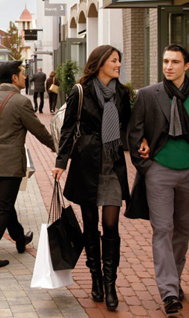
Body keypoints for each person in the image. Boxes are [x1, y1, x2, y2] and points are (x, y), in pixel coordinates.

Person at [126, 44, 189, 315]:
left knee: (183, 229)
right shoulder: (149, 95)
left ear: (187, 66)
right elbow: (134, 133)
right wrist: (145, 167)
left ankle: (175, 279)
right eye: (165, 61)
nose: (168, 66)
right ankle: (169, 291)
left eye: (174, 62)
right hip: (159, 172)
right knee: (162, 229)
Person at [52, 45, 133, 311]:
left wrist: (141, 142)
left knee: (111, 226)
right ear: (99, 63)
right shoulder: (81, 91)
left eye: (119, 61)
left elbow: (129, 127)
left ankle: (111, 285)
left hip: (113, 166)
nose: (118, 65)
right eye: (114, 60)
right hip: (87, 165)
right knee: (89, 226)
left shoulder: (122, 93)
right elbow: (68, 130)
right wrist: (61, 163)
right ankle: (96, 280)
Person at [0, 60, 54, 269]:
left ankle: (20, 238)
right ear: (13, 78)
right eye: (22, 74)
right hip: (10, 164)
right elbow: (39, 130)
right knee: (3, 207)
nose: (25, 77)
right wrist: (58, 147)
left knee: (5, 203)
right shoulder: (21, 102)